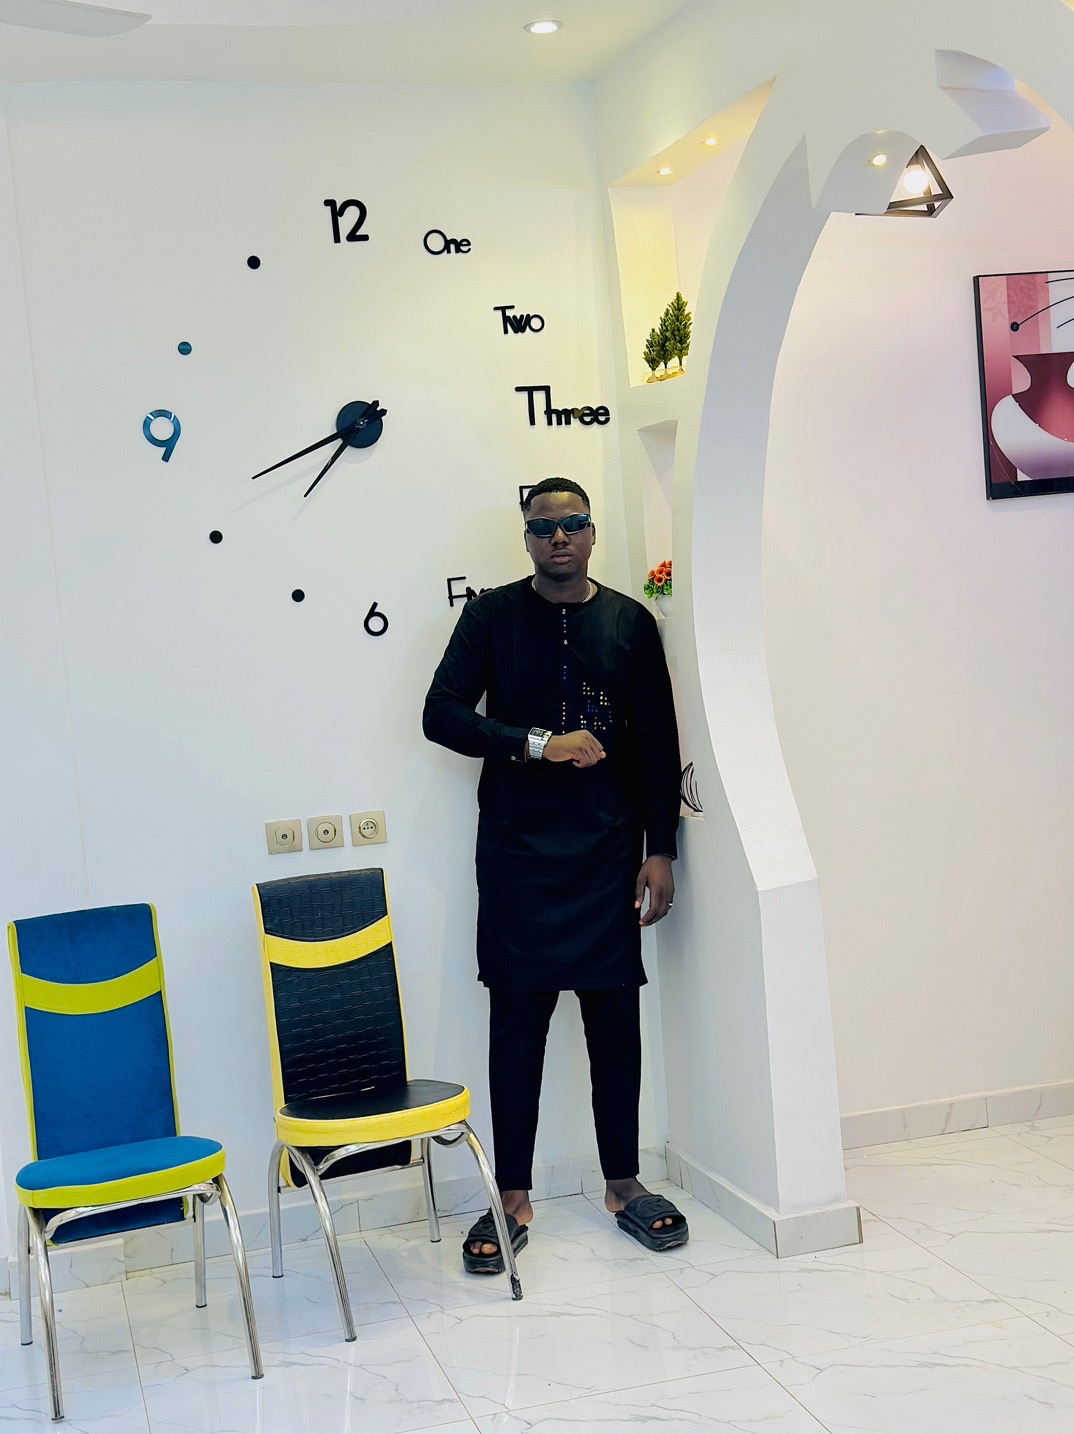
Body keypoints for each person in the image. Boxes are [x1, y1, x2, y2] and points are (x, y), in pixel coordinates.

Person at [422, 476, 689, 1270]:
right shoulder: (492, 617)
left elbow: (657, 742)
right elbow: (441, 713)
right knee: (517, 1027)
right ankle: (511, 1195)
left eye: (573, 523)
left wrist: (661, 847)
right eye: (545, 527)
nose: (560, 537)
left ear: (593, 532)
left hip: (608, 851)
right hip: (518, 853)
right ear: (528, 539)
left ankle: (623, 1184)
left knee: (614, 1022)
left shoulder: (630, 623)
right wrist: (538, 742)